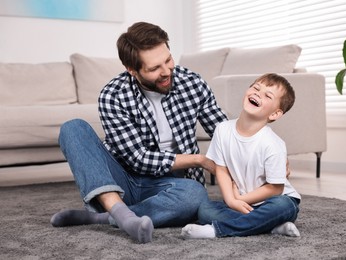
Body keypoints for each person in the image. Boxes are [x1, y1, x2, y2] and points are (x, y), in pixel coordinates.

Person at [50, 21, 228, 243]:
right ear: (132, 70)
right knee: (72, 128)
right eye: (154, 68)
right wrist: (199, 160)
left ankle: (107, 216)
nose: (167, 72)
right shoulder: (113, 95)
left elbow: (223, 131)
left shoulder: (192, 82)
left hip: (173, 183)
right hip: (125, 178)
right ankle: (121, 212)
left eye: (168, 60)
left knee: (195, 195)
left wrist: (262, 153)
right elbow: (137, 159)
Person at [181, 73, 301, 239]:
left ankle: (216, 231)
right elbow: (221, 169)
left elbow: (276, 188)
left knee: (284, 205)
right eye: (256, 88)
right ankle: (269, 226)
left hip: (271, 200)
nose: (258, 93)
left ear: (274, 114)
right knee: (205, 210)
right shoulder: (222, 130)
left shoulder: (273, 144)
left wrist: (241, 197)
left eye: (267, 95)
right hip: (240, 204)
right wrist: (231, 200)